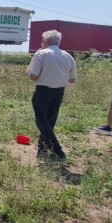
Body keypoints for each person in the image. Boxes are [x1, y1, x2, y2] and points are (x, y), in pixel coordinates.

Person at [27, 30, 77, 161]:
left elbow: (33, 76)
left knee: (41, 121)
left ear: (47, 41)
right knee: (49, 122)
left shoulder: (41, 54)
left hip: (43, 91)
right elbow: (72, 80)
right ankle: (42, 150)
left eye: (42, 40)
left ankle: (58, 150)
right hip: (59, 91)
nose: (41, 43)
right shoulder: (68, 56)